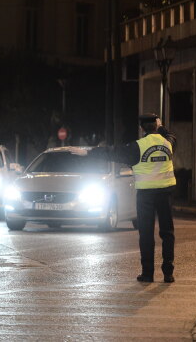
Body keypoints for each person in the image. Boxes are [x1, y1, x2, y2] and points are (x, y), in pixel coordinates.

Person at [73, 114, 177, 283]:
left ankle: (148, 273)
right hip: (165, 193)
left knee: (146, 233)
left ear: (141, 128)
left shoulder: (138, 147)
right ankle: (168, 272)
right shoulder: (168, 143)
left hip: (146, 194)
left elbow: (112, 152)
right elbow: (171, 135)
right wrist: (161, 127)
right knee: (167, 232)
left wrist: (88, 152)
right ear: (157, 126)